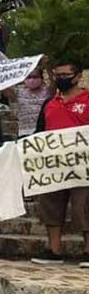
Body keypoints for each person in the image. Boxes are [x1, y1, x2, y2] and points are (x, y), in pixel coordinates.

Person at [31, 59, 89, 266]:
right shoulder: (49, 103)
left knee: (83, 207)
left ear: (78, 76)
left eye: (66, 75)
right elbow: (39, 133)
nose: (61, 79)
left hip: (83, 166)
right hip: (53, 165)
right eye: (57, 75)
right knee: (50, 206)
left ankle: (87, 250)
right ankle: (53, 250)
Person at [2, 65, 53, 138]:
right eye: (29, 77)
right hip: (24, 133)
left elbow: (53, 80)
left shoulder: (48, 91)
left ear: (41, 78)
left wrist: (47, 66)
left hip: (43, 132)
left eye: (35, 77)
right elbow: (4, 88)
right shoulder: (19, 92)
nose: (32, 80)